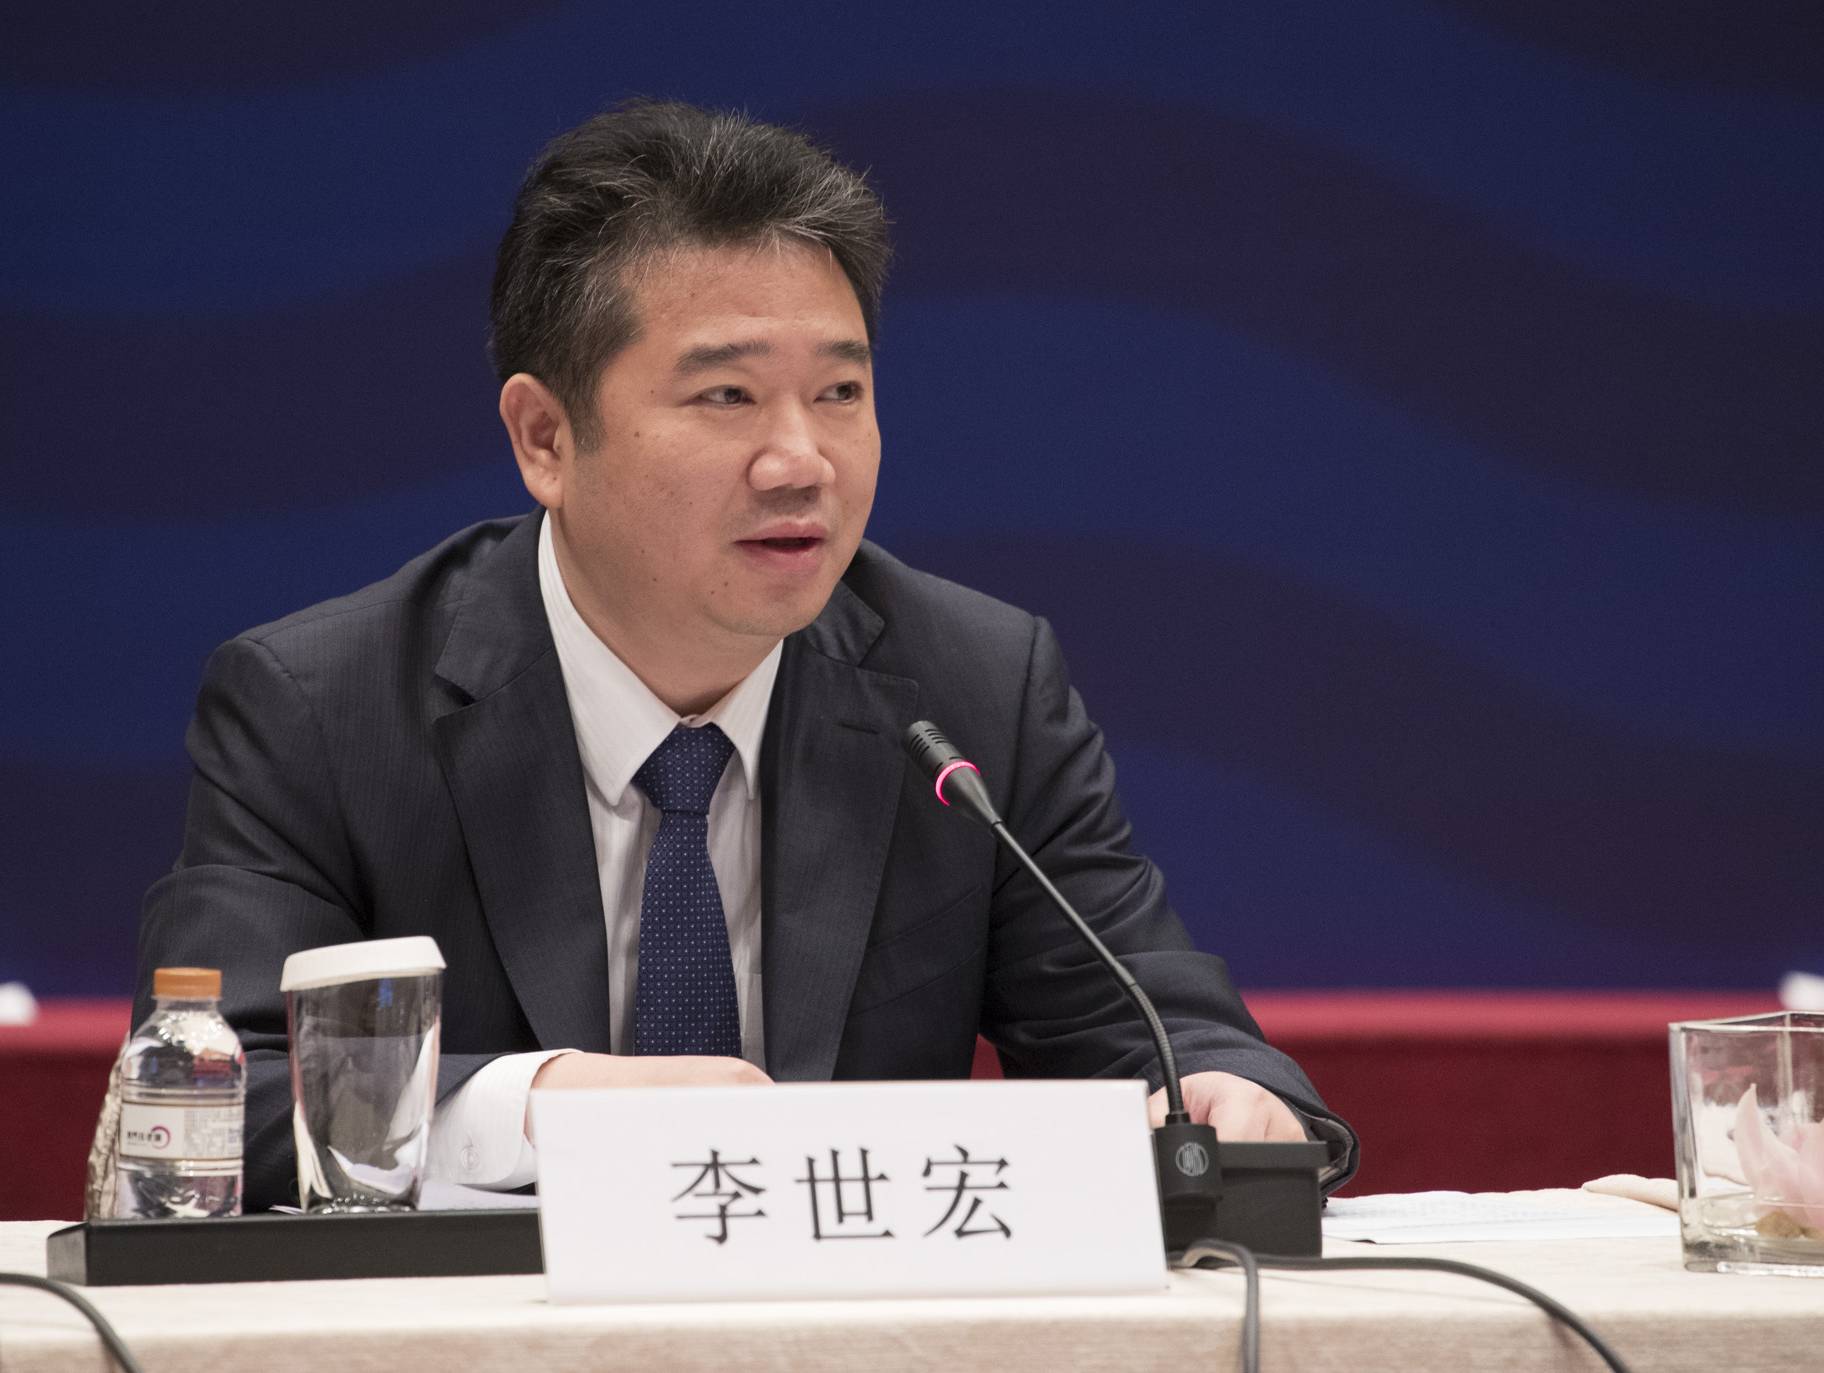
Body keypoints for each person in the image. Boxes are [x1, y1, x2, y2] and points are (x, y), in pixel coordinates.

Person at [135, 101, 1356, 1210]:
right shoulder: (323, 707)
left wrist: (1221, 1094)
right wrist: (538, 1105)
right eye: (726, 397)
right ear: (546, 436)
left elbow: (1160, 1030)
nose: (801, 461)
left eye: (840, 393)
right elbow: (208, 1102)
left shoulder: (975, 686)